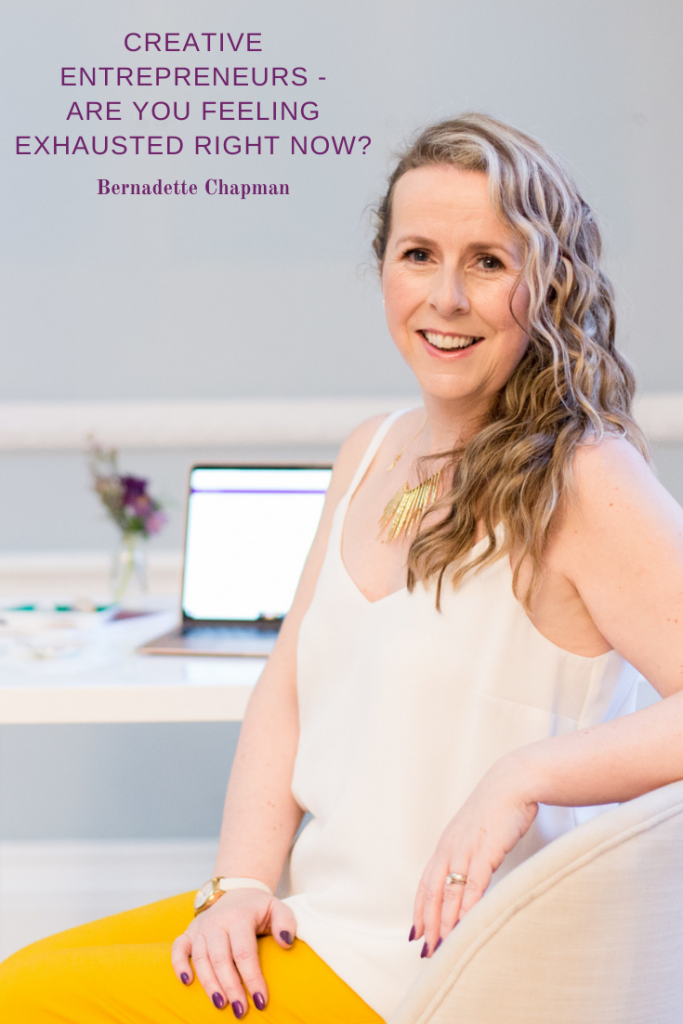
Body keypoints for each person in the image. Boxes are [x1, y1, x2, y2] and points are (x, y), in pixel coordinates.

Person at [3, 111, 683, 1024]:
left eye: (488, 261)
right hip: (314, 923)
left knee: (24, 999)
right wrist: (240, 885)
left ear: (548, 281)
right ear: (383, 268)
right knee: (27, 971)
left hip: (433, 968)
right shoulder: (370, 451)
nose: (446, 296)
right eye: (418, 255)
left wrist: (523, 775)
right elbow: (285, 689)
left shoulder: (586, 478)